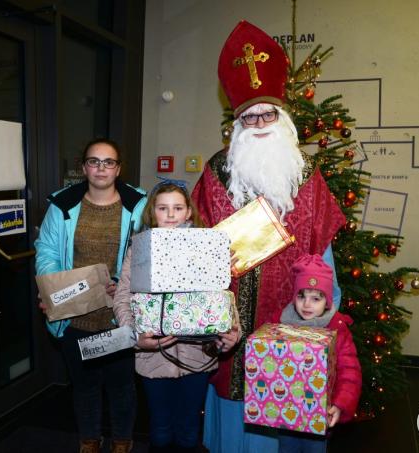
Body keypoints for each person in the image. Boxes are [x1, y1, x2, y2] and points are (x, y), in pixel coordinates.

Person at [191, 20, 347, 452]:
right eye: (249, 116)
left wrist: (325, 305)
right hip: (232, 318)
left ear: (283, 118)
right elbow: (196, 243)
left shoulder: (306, 174)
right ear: (237, 124)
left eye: (267, 114)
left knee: (291, 401)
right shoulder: (216, 172)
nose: (259, 122)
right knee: (233, 403)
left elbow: (324, 246)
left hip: (292, 313)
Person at [34, 138, 146, 453]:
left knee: (122, 386)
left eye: (108, 162)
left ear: (118, 168)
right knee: (84, 386)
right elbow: (46, 251)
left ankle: (123, 441)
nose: (101, 168)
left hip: (118, 315)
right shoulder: (63, 204)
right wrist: (52, 289)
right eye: (94, 161)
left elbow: (149, 255)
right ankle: (89, 441)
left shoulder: (139, 205)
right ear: (84, 167)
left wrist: (124, 283)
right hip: (76, 314)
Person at [112, 178, 237, 453]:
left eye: (177, 208)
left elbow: (223, 294)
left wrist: (232, 333)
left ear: (188, 212)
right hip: (152, 356)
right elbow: (122, 297)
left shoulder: (207, 246)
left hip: (198, 356)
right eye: (163, 208)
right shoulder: (139, 249)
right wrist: (134, 335)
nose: (170, 215)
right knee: (159, 427)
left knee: (190, 428)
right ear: (152, 212)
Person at [274, 254, 362, 453]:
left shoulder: (337, 328)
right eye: (301, 296)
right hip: (286, 413)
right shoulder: (280, 322)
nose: (307, 304)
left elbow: (350, 371)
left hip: (319, 415)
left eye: (316, 298)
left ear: (327, 301)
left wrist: (340, 405)